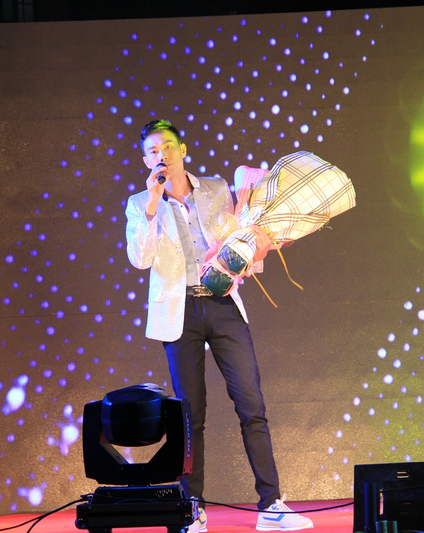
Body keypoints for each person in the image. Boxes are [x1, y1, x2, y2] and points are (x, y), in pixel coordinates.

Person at [125, 119, 313, 532]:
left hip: (222, 302)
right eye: (153, 151)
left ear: (182, 150)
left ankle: (271, 504)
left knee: (251, 404)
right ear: (145, 160)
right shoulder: (140, 203)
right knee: (190, 415)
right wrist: (153, 204)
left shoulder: (214, 188)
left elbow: (242, 243)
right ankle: (193, 509)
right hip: (179, 312)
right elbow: (140, 258)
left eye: (168, 146)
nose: (162, 155)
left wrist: (256, 252)